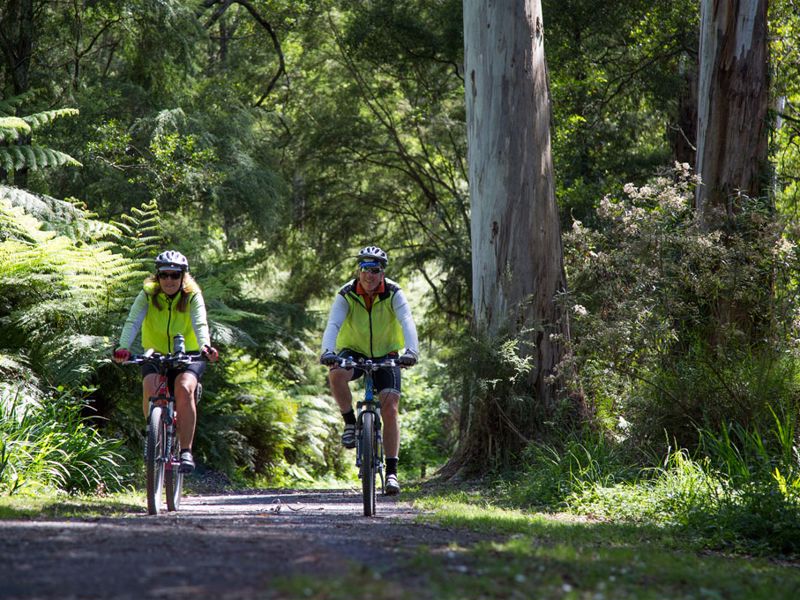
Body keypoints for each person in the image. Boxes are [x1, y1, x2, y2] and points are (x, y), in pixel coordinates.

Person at [320, 245, 419, 495]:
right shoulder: (347, 293)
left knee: (390, 406)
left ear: (382, 272)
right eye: (364, 269)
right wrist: (327, 351)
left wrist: (412, 352)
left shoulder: (394, 293)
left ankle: (392, 473)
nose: (369, 275)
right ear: (359, 270)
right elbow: (333, 323)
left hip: (387, 353)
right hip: (354, 350)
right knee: (336, 374)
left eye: (374, 270)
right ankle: (350, 423)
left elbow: (407, 321)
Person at [112, 250, 219, 474]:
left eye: (174, 275)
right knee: (150, 387)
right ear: (157, 277)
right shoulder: (148, 294)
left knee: (183, 387)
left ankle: (186, 451)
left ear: (183, 277)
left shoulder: (192, 295)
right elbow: (133, 321)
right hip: (155, 352)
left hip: (189, 352)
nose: (169, 280)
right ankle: (155, 435)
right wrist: (123, 348)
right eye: (164, 275)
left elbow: (200, 324)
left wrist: (205, 347)